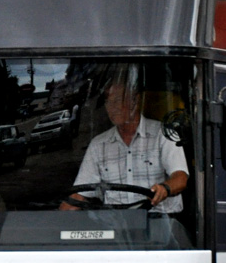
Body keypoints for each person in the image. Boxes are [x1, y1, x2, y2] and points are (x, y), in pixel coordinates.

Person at [61, 79, 188, 212]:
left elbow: (180, 178)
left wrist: (165, 188)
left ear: (136, 100)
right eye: (108, 102)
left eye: (117, 101)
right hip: (116, 225)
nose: (112, 107)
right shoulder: (98, 145)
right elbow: (80, 193)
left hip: (158, 221)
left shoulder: (162, 134)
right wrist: (54, 223)